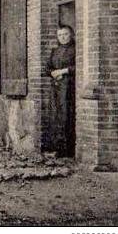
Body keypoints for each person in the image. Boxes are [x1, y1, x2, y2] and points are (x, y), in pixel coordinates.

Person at [46, 25, 76, 157]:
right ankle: (56, 147)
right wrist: (53, 73)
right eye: (60, 35)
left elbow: (77, 66)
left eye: (65, 34)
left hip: (69, 87)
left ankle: (68, 150)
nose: (63, 37)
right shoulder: (55, 51)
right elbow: (47, 68)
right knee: (55, 115)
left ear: (71, 35)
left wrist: (63, 71)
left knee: (66, 116)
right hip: (56, 87)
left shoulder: (75, 50)